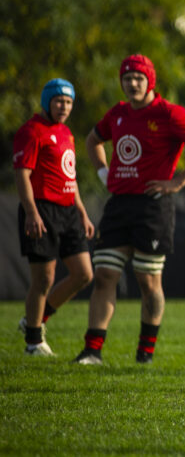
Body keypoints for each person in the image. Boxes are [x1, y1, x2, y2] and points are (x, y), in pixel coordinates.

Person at [74, 55, 185, 365]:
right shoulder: (118, 113)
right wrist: (104, 174)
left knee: (147, 280)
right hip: (119, 205)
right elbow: (92, 140)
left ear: (150, 81)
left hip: (153, 207)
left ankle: (145, 354)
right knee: (104, 275)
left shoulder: (169, 113)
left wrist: (178, 181)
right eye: (127, 78)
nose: (133, 83)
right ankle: (92, 351)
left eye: (139, 78)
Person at [13, 79, 95, 356]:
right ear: (47, 101)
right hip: (42, 209)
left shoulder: (66, 133)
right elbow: (22, 174)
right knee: (44, 278)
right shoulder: (31, 131)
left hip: (68, 211)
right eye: (59, 100)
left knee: (84, 274)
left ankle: (34, 320)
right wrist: (32, 212)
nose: (64, 106)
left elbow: (70, 176)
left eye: (69, 102)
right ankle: (34, 342)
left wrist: (82, 212)